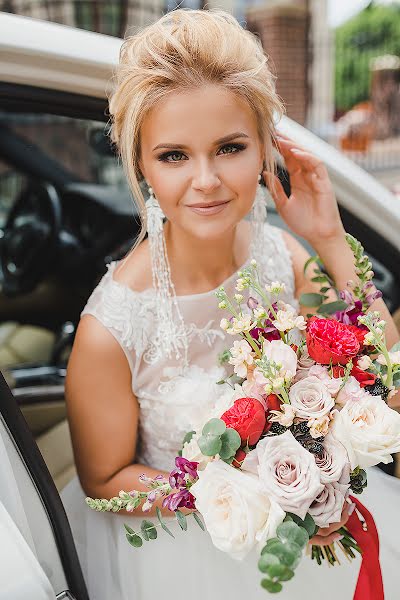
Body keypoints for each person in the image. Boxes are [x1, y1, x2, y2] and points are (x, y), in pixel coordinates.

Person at [61, 9, 400, 600]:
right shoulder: (110, 330)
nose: (207, 180)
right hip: (185, 566)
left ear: (267, 148)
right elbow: (105, 480)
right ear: (139, 163)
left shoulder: (283, 257)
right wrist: (255, 493)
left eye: (229, 147)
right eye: (173, 156)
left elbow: (386, 378)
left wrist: (327, 237)